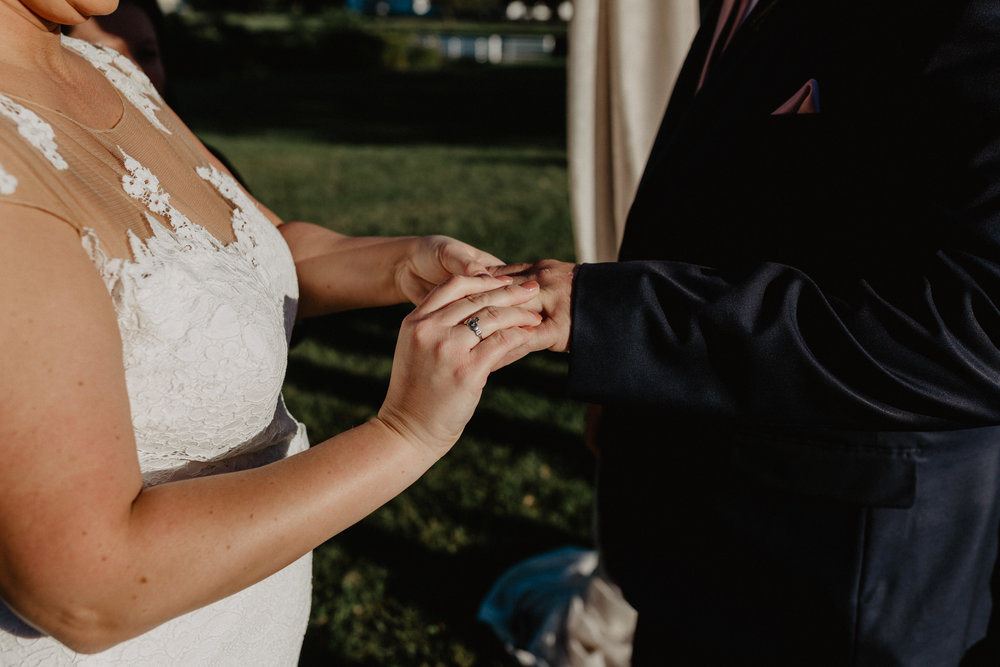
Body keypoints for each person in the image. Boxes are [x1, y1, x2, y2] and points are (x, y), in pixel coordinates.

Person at [0, 0, 543, 664]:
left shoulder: (109, 73)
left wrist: (408, 261)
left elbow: (255, 246)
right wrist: (407, 433)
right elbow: (88, 588)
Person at [497, 1, 1000, 665]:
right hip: (699, 540)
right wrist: (629, 389)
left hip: (835, 572)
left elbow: (978, 325)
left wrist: (615, 318)